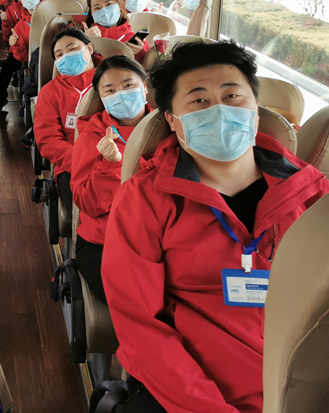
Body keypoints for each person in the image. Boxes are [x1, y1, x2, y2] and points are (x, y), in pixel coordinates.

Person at [101, 41, 329, 413]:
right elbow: (140, 324)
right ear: (172, 120)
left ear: (256, 109)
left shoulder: (314, 196)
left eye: (232, 96)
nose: (220, 110)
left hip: (303, 385)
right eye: (199, 101)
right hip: (193, 391)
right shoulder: (145, 199)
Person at [71, 56, 152, 304]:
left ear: (145, 86)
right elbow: (88, 203)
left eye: (128, 85)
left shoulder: (170, 131)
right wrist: (109, 166)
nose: (121, 94)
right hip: (106, 242)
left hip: (158, 241)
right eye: (110, 90)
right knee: (138, 302)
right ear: (101, 97)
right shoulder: (92, 137)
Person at [33, 27, 102, 218]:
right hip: (71, 165)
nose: (66, 56)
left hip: (114, 159)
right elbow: (48, 140)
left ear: (89, 48)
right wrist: (82, 163)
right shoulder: (50, 92)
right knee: (87, 216)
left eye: (72, 49)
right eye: (59, 54)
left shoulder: (110, 82)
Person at [0, 0, 37, 114]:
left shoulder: (49, 12)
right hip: (20, 45)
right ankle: (2, 97)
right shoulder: (15, 14)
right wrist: (6, 22)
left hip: (43, 50)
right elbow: (8, 35)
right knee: (7, 66)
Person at [84, 0, 150, 62]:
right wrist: (85, 40)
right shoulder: (83, 32)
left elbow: (145, 65)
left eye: (109, 4)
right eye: (97, 8)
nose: (104, 11)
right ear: (91, 12)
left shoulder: (132, 39)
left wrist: (140, 52)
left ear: (119, 5)